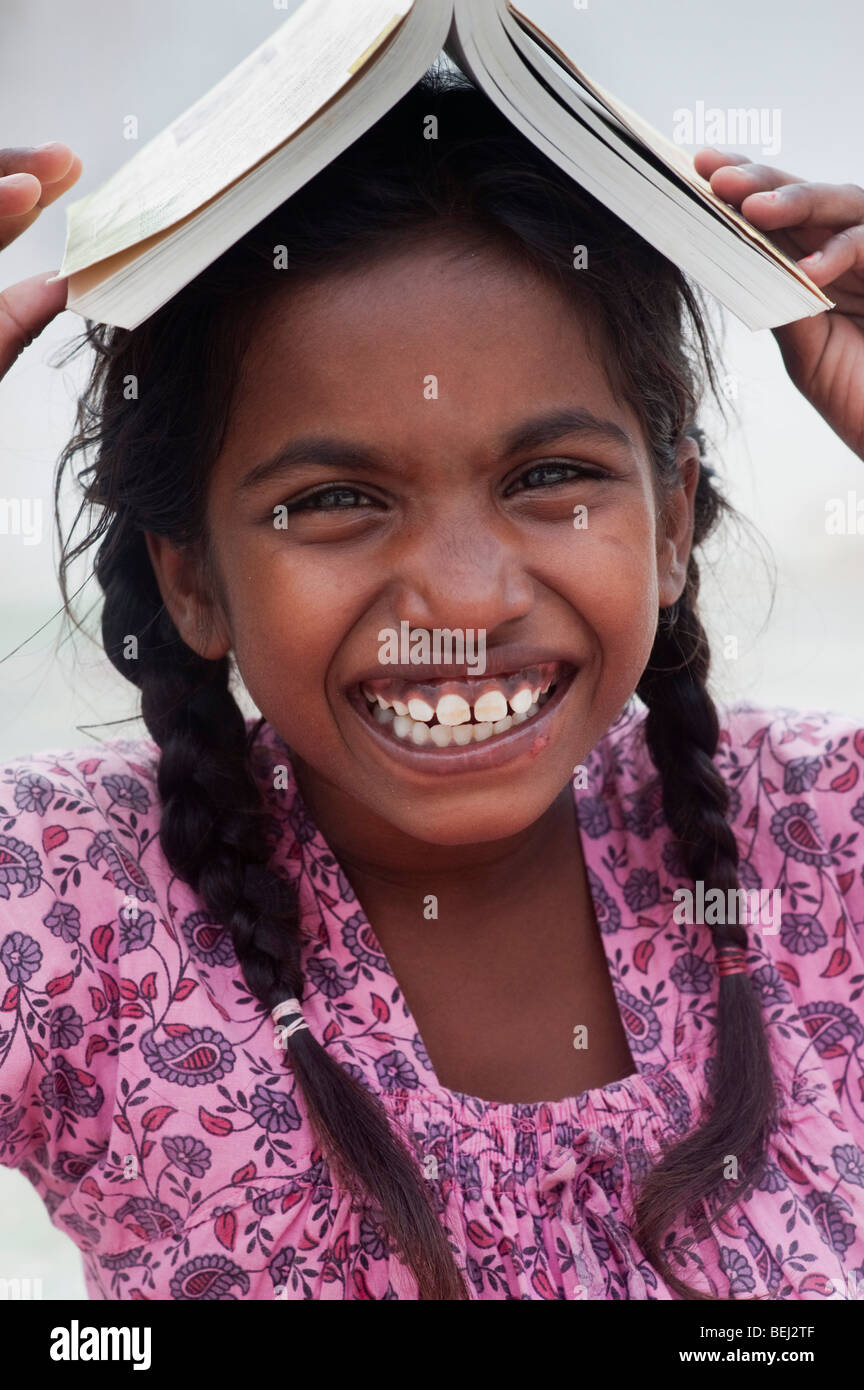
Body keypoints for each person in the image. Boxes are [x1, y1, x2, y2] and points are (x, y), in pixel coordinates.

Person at [1, 70, 864, 1302]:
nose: (462, 601)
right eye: (336, 501)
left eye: (549, 476)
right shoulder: (76, 904)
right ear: (191, 579)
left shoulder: (818, 837)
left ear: (673, 525)